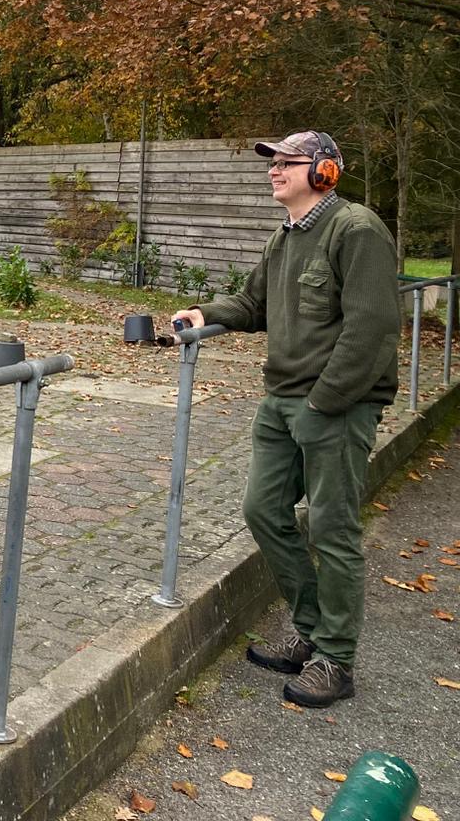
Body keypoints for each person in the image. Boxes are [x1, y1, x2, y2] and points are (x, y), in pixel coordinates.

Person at [172, 130, 398, 708]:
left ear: (325, 171)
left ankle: (335, 660)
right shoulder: (285, 235)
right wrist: (204, 312)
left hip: (336, 406)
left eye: (287, 162)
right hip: (281, 402)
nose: (274, 170)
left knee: (332, 528)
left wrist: (324, 401)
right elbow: (255, 304)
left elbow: (372, 328)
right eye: (272, 163)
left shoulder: (356, 230)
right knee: (264, 510)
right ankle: (310, 630)